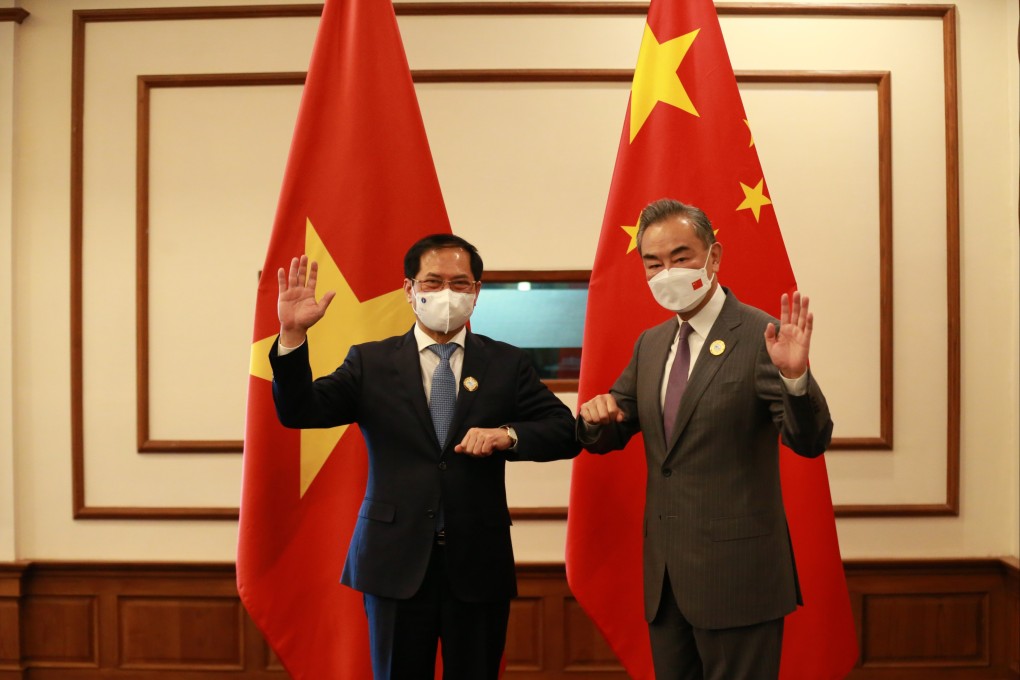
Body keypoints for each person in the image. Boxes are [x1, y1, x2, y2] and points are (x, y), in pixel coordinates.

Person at [270, 234, 580, 680]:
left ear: (476, 291)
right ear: (409, 289)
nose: (446, 294)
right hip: (393, 561)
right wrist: (293, 336)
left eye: (460, 283)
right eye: (433, 282)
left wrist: (507, 435)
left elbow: (564, 432)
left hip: (478, 561)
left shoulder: (506, 364)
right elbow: (299, 411)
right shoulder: (370, 362)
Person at [577, 199, 833, 680]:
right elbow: (613, 428)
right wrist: (596, 417)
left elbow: (809, 441)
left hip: (739, 579)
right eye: (653, 263)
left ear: (713, 257)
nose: (666, 272)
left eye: (680, 257)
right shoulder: (651, 343)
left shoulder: (762, 334)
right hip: (666, 581)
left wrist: (797, 379)